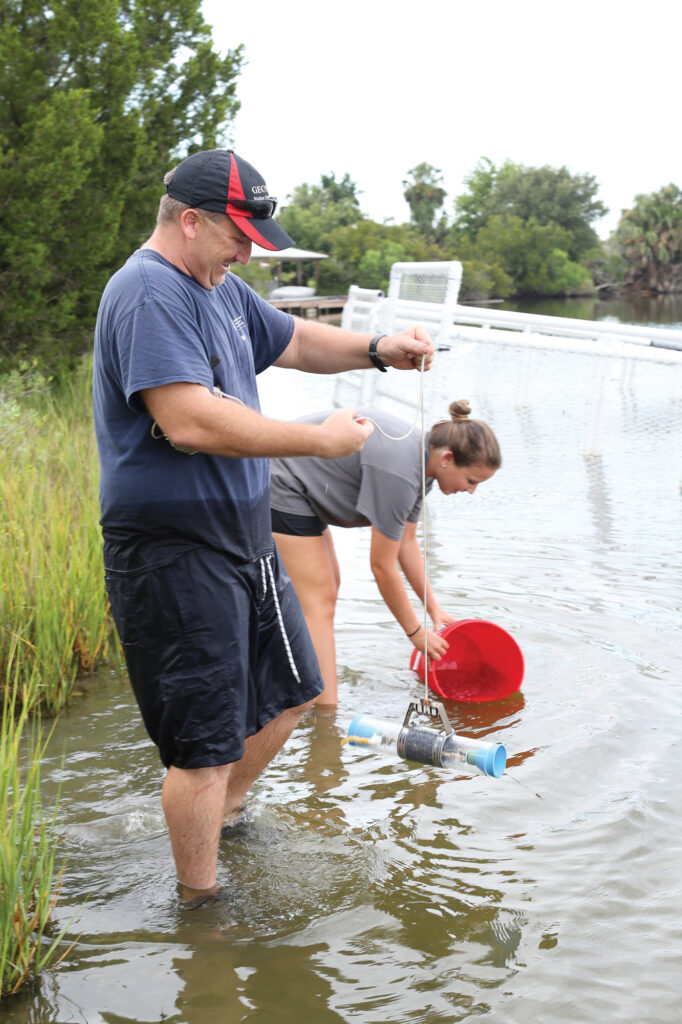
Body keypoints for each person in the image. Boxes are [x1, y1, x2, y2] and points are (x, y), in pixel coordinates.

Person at [91, 147, 434, 905]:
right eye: (238, 236)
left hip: (243, 537)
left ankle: (223, 814)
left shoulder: (221, 287)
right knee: (203, 747)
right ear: (188, 221)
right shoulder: (150, 291)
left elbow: (298, 340)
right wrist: (318, 440)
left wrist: (380, 351)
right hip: (173, 548)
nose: (247, 252)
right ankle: (199, 909)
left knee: (293, 696)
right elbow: (186, 419)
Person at [270, 400, 501, 705]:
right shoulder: (402, 472)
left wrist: (432, 608)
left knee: (326, 592)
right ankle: (324, 713)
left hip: (302, 490)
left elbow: (406, 543)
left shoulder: (424, 467)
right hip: (279, 480)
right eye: (471, 481)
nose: (471, 491)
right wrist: (415, 632)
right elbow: (381, 566)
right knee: (319, 601)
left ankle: (304, 684)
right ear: (447, 458)